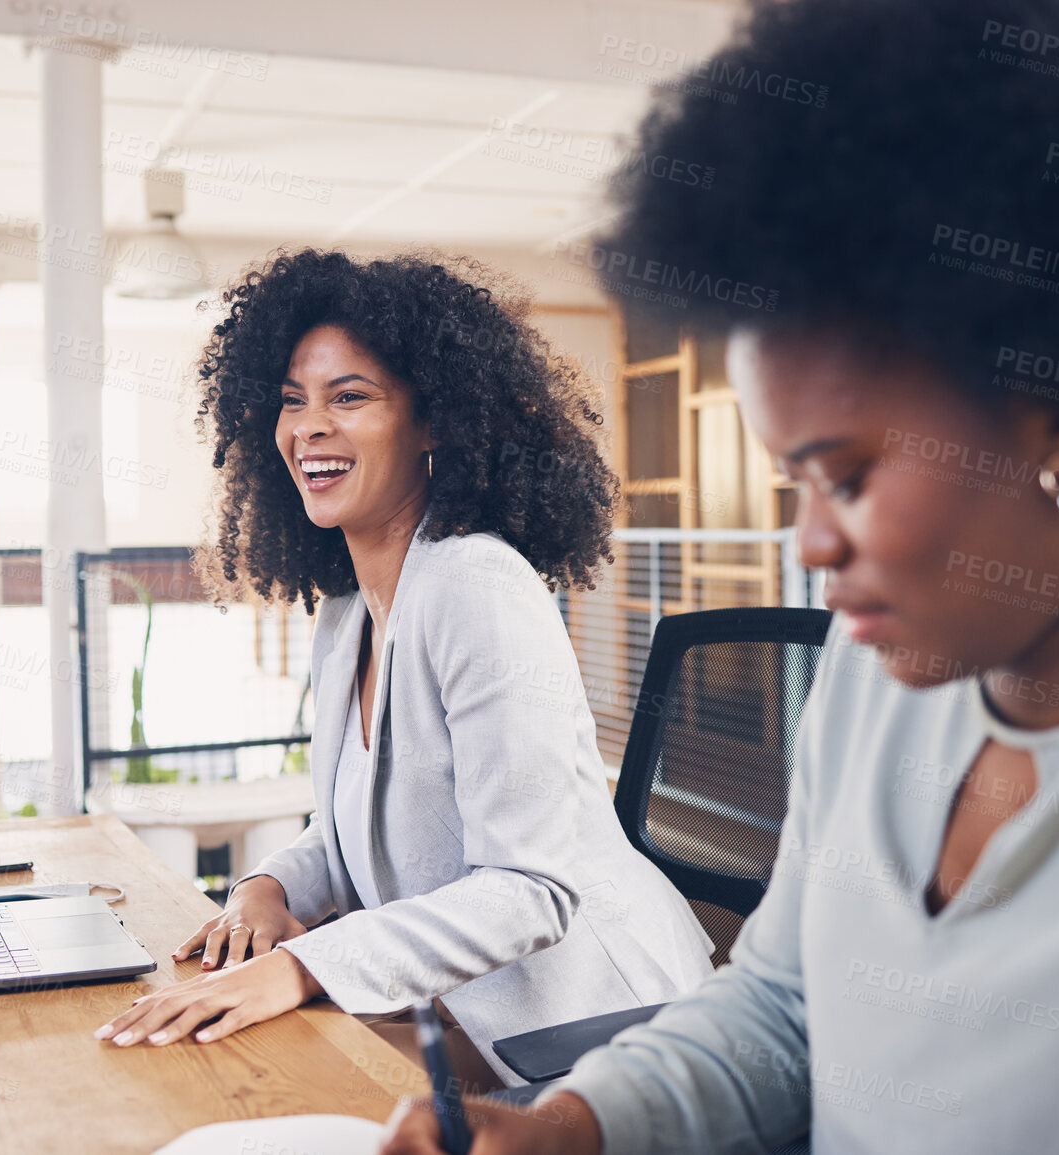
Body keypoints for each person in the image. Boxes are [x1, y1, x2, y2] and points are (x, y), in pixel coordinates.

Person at [382, 0, 1059, 1150]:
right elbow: (783, 1010)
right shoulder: (874, 677)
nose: (806, 543)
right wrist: (573, 1125)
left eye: (843, 476)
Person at [93, 248, 714, 1087]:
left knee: (256, 1093)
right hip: (467, 1016)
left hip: (597, 1030)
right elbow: (353, 827)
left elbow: (530, 886)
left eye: (349, 397)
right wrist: (270, 887)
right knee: (214, 1079)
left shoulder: (477, 588)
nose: (308, 426)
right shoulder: (350, 609)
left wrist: (301, 965)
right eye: (291, 401)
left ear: (432, 423)